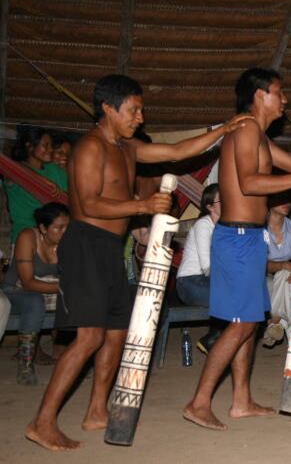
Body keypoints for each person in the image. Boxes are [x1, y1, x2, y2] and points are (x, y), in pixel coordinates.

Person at [25, 74, 251, 451]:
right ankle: (42, 421)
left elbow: (176, 151)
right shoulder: (90, 148)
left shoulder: (127, 148)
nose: (140, 117)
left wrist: (223, 130)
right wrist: (142, 205)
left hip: (111, 248)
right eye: (133, 110)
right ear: (108, 108)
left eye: (141, 110)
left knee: (116, 333)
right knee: (90, 336)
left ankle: (97, 410)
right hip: (86, 245)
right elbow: (87, 203)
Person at [183, 67, 291, 430]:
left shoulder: (257, 135)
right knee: (241, 324)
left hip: (250, 238)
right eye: (279, 92)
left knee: (249, 322)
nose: (285, 99)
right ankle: (199, 402)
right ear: (259, 95)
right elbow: (250, 182)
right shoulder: (246, 129)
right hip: (236, 238)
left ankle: (241, 400)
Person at [2, 202, 69, 385]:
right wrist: (64, 288)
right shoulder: (27, 237)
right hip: (15, 291)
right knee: (34, 301)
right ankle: (26, 364)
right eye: (58, 228)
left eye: (67, 227)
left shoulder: (68, 242)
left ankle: (73, 359)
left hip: (48, 289)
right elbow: (27, 282)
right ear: (43, 228)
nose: (64, 232)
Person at [176, 184, 225, 354]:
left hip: (209, 280)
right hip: (190, 282)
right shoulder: (203, 225)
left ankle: (213, 339)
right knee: (231, 297)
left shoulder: (225, 228)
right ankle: (212, 340)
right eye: (222, 199)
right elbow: (207, 267)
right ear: (210, 206)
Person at [4, 126, 68, 243]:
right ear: (30, 146)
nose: (50, 149)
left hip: (55, 239)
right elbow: (6, 162)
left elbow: (71, 199)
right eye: (45, 145)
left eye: (51, 145)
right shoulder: (13, 173)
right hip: (25, 237)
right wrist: (43, 181)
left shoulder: (55, 170)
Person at [263, 192, 291, 348]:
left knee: (285, 277)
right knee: (284, 280)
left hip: (284, 277)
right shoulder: (259, 227)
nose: (287, 202)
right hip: (260, 277)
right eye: (281, 197)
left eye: (289, 198)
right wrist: (284, 265)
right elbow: (258, 264)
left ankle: (276, 322)